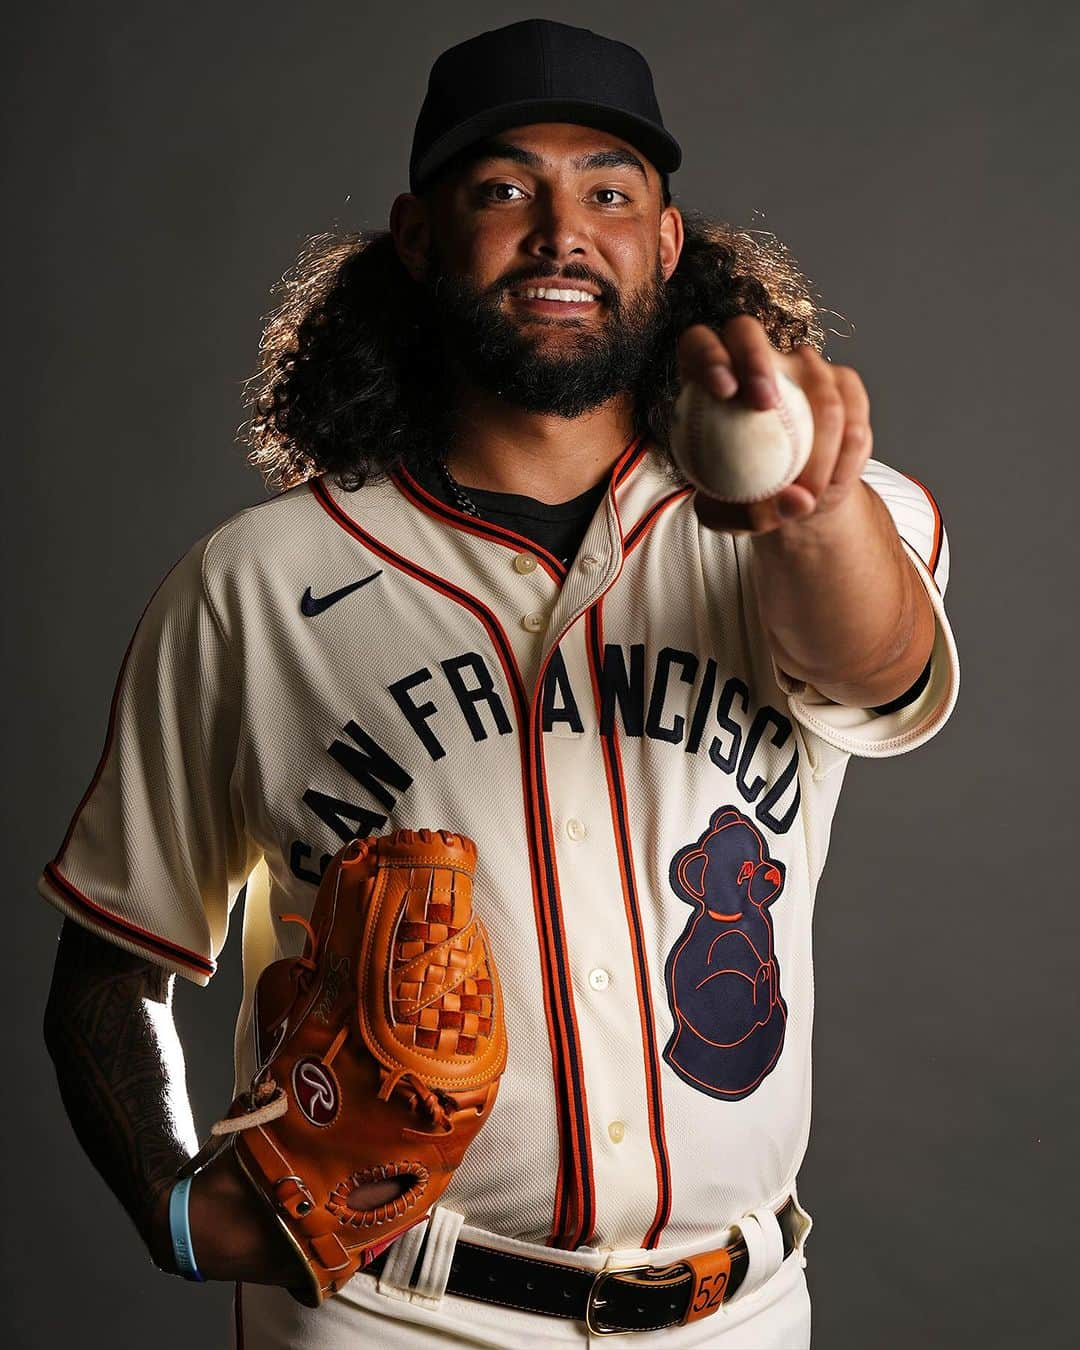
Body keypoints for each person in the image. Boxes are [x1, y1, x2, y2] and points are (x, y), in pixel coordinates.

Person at [39, 18, 959, 1349]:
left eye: (607, 189)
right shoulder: (255, 583)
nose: (559, 231)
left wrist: (806, 511)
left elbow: (882, 671)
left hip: (737, 1312)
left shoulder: (829, 527)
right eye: (503, 189)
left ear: (666, 240)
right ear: (416, 239)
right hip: (384, 1312)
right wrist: (175, 1207)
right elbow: (109, 965)